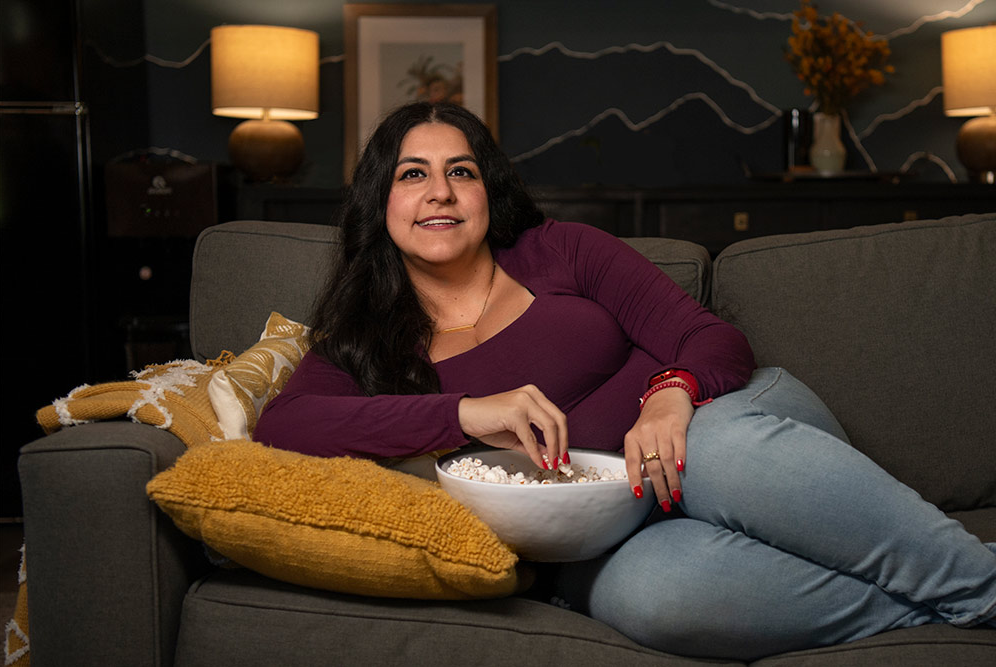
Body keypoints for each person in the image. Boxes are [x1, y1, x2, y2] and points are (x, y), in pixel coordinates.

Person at [253, 102, 996, 660]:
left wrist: (670, 394)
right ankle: (933, 611)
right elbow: (284, 428)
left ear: (488, 192)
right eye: (413, 174)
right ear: (381, 201)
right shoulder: (365, 342)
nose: (440, 192)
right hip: (600, 533)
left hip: (719, 423)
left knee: (717, 447)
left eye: (462, 172)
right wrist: (467, 412)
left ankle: (981, 586)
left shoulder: (562, 252)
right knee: (651, 599)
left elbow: (714, 339)